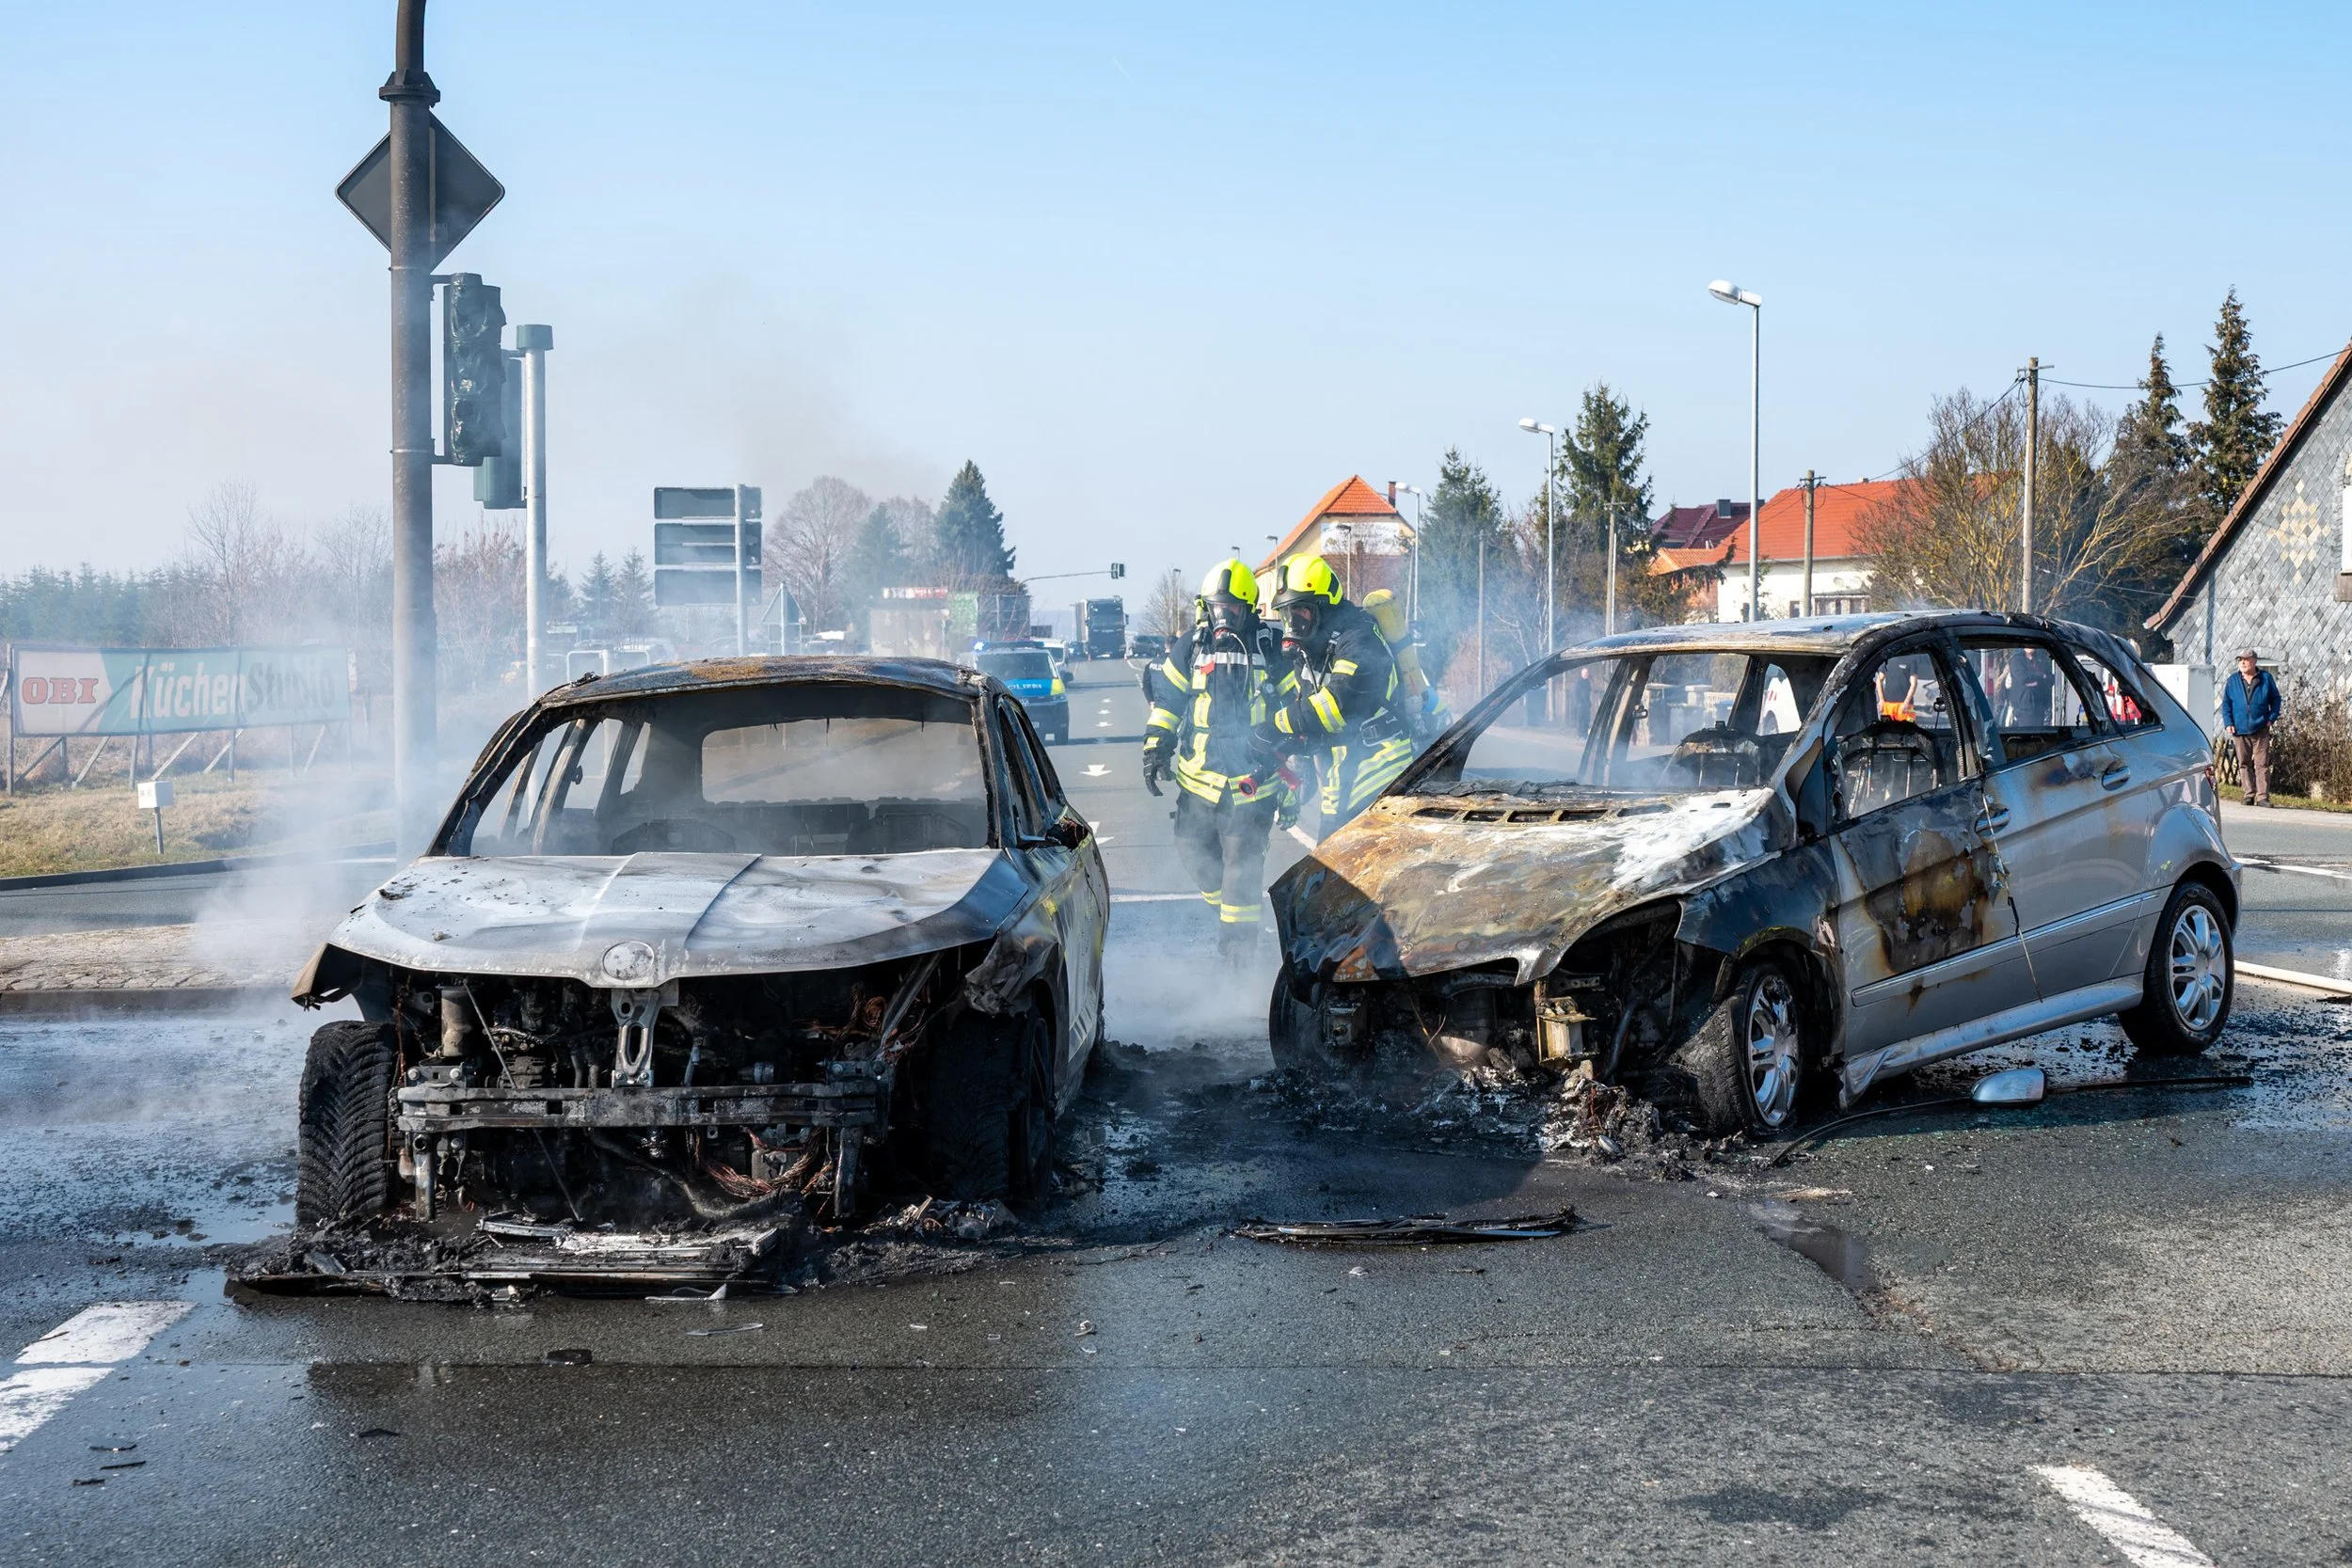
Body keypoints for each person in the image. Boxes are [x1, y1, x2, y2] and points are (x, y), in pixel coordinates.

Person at [1141, 560, 1294, 958]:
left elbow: (1297, 709)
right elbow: (1168, 702)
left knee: (1240, 870)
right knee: (1192, 852)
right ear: (1205, 607)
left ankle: (1236, 967)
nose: (1223, 616)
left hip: (1251, 783)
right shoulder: (1190, 646)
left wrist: (1295, 776)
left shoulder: (1271, 647)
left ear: (1249, 609)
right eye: (1217, 607)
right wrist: (1156, 748)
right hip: (1198, 782)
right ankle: (1234, 918)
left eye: (1232, 609)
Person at [1253, 554, 1416, 838]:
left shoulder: (1360, 639)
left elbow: (1337, 705)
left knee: (1350, 861)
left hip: (1381, 775)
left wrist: (1273, 726)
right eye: (1286, 613)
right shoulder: (1310, 653)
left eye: (1300, 610)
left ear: (1324, 607)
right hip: (1341, 781)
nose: (1292, 622)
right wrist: (1293, 751)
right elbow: (1307, 713)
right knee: (1329, 861)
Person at [2222, 647, 2280, 806]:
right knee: (2244, 763)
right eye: (2240, 660)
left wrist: (2271, 719)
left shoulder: (2266, 678)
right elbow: (2226, 704)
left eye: (2246, 660)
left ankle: (2262, 797)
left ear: (2254, 661)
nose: (2242, 663)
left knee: (2262, 764)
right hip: (2239, 728)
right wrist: (2228, 723)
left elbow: (2276, 700)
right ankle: (2248, 794)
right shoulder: (2233, 680)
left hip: (2261, 727)